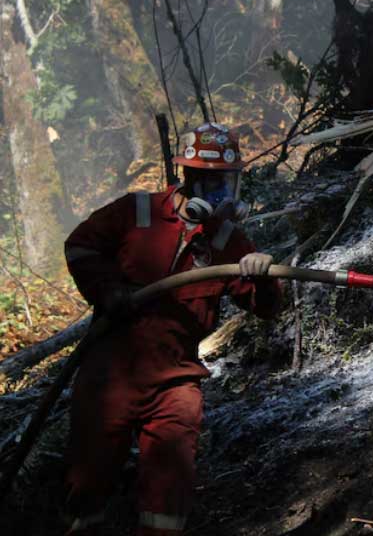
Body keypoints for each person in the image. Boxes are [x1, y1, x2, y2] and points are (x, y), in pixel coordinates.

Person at [61, 123, 282, 535]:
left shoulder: (229, 241)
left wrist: (263, 276)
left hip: (176, 380)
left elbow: (266, 309)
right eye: (211, 179)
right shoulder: (136, 212)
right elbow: (79, 246)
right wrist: (109, 292)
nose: (220, 191)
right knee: (88, 480)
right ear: (189, 177)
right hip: (112, 373)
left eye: (227, 181)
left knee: (169, 487)